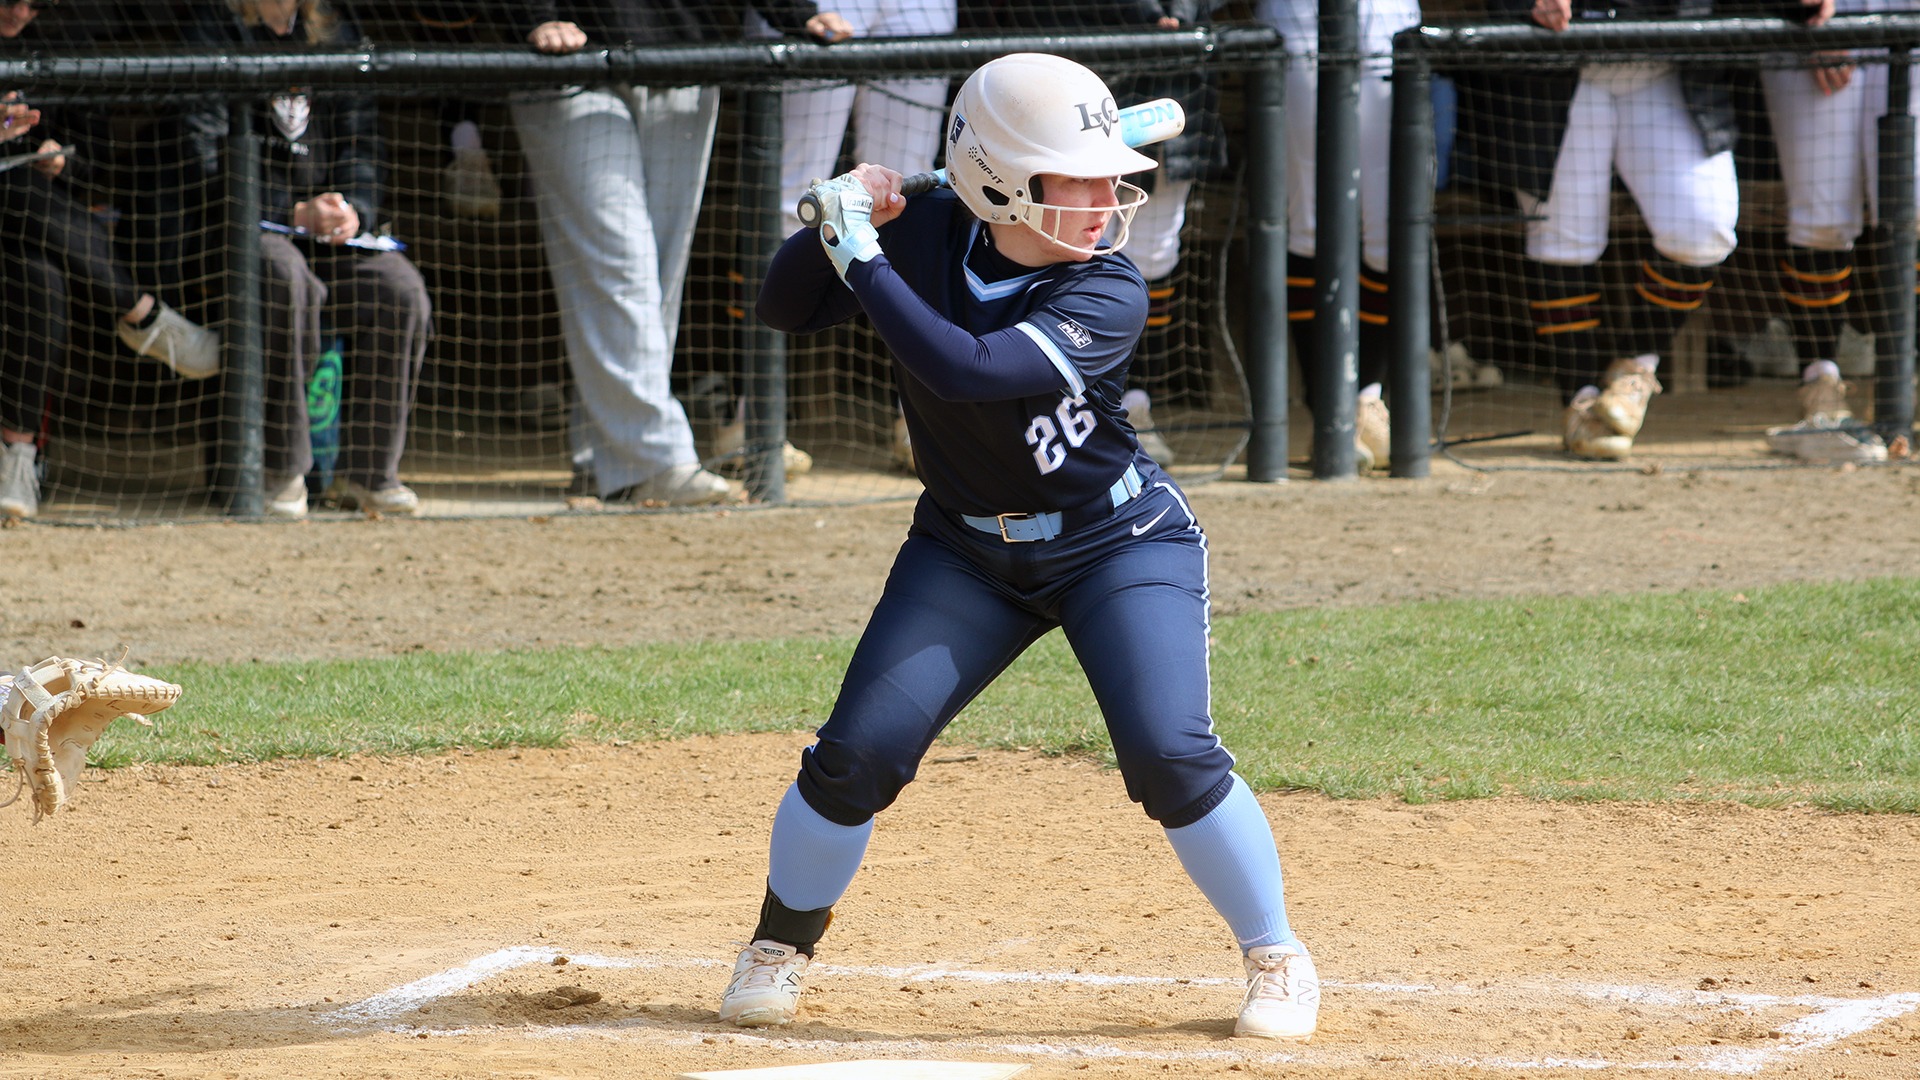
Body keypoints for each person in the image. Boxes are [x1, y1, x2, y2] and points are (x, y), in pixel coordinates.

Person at [719, 54, 1320, 1042]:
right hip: (964, 554)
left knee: (1170, 756)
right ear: (997, 181)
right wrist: (829, 222)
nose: (1104, 200)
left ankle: (1276, 954)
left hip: (1118, 544)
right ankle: (778, 945)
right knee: (853, 759)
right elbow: (785, 307)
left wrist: (861, 254)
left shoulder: (1108, 288)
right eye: (1074, 178)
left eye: (1105, 175)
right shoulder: (923, 238)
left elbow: (968, 370)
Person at [506, 0, 850, 506]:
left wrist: (796, 12)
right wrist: (531, 15)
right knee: (622, 266)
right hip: (566, 62)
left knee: (659, 279)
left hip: (685, 51)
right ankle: (658, 456)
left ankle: (605, 456)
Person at [1484, 0, 1828, 461]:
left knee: (1703, 226)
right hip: (1558, 64)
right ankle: (1580, 399)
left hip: (1663, 62)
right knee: (1564, 240)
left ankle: (1634, 368)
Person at [175, 0, 433, 517]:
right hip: (238, 230)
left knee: (399, 289)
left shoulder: (335, 26)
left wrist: (352, 209)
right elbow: (197, 156)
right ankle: (282, 470)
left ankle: (370, 474)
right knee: (286, 277)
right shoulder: (211, 26)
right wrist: (289, 211)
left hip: (327, 235)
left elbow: (364, 142)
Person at [1, 0, 221, 521]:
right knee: (15, 190)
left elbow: (95, 158)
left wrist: (58, 158)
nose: (19, 11)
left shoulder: (55, 49)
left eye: (34, 2)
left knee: (41, 277)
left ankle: (16, 455)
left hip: (25, 233)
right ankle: (141, 314)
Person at [1258, 0, 1424, 473]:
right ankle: (1327, 408)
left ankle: (1367, 397)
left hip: (1388, 20)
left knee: (1390, 232)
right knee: (1309, 226)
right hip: (1301, 18)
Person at [1758, 0, 1899, 462]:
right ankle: (1821, 393)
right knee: (1822, 219)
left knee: (1912, 209)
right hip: (1819, 16)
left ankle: (1904, 398)